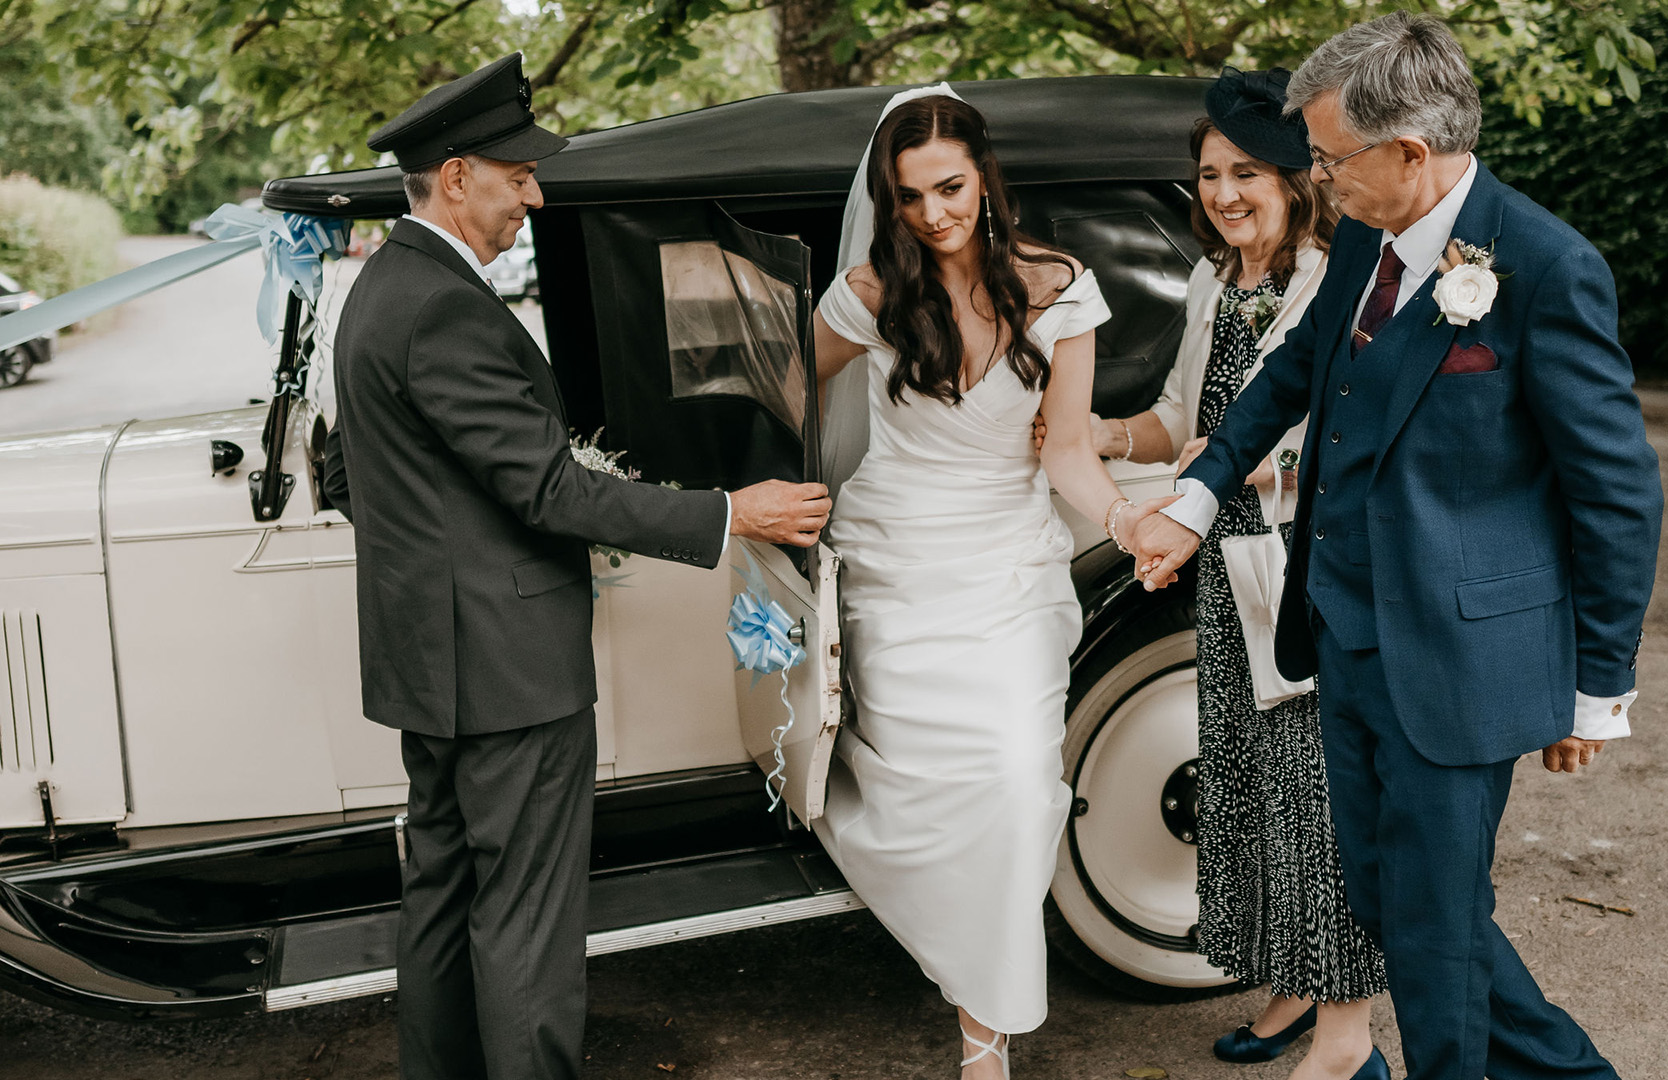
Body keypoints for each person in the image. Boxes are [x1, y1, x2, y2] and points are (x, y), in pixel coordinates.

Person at [1130, 14, 1663, 1080]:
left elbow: (1618, 494)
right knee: (1388, 896)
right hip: (1343, 634)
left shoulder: (1549, 268)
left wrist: (1594, 692)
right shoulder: (1369, 242)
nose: (1315, 180)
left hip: (1462, 662)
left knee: (1432, 926)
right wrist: (1194, 497)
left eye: (1326, 159)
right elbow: (1291, 376)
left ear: (1409, 154)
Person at [321, 53, 830, 1080]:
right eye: (519, 175)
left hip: (434, 657)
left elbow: (354, 466)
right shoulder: (442, 305)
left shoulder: (385, 286)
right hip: (506, 670)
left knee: (446, 898)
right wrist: (732, 510)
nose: (535, 194)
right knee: (525, 920)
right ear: (459, 175)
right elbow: (548, 492)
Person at [808, 87, 1169, 1080]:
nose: (934, 214)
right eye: (910, 196)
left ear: (986, 177)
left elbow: (1067, 458)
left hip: (1005, 570)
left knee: (1016, 780)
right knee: (921, 792)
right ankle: (982, 1025)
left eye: (952, 187)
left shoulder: (1062, 289)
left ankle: (983, 1026)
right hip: (893, 566)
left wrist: (1128, 516)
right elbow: (791, 383)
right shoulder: (870, 293)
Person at [1087, 68, 1389, 1080]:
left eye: (1246, 171)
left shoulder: (1337, 275)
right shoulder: (1214, 282)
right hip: (1225, 566)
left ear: (1298, 177)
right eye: (1211, 174)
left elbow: (1365, 431)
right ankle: (1293, 985)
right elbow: (1180, 415)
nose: (1223, 192)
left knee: (1317, 792)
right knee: (1252, 788)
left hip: (1304, 567)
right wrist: (1104, 430)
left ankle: (1351, 1035)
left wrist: (1264, 459)